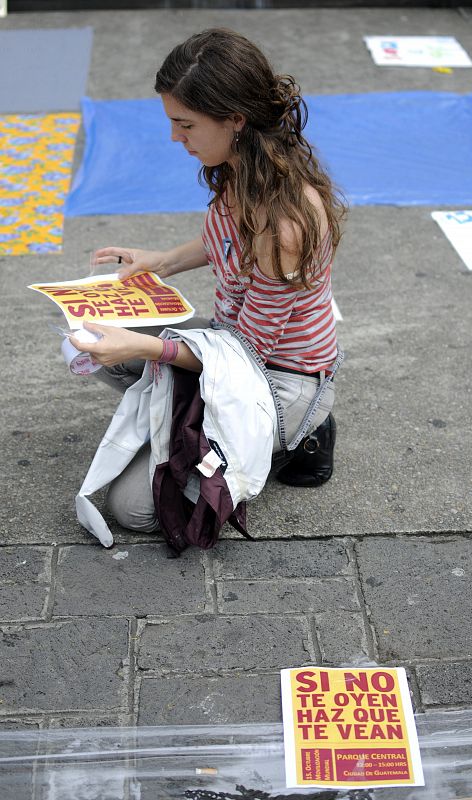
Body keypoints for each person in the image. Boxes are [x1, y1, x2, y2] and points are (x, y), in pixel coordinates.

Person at [71, 28, 346, 536]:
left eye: (185, 124)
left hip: (278, 380)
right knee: (90, 339)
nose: (176, 138)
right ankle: (182, 427)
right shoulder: (243, 165)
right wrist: (160, 261)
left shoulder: (286, 223)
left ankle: (302, 432)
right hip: (228, 342)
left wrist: (148, 348)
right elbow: (224, 244)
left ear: (235, 119)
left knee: (135, 510)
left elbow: (248, 354)